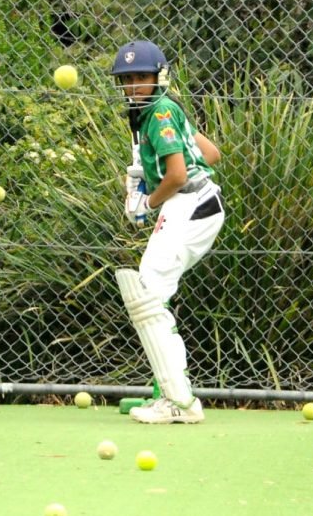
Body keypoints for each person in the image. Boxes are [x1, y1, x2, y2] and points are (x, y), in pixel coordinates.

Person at [110, 40, 225, 424]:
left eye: (141, 77)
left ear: (159, 77)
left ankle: (179, 401)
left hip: (190, 203)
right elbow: (209, 154)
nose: (133, 86)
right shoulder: (160, 110)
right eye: (127, 79)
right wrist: (152, 182)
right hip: (195, 202)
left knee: (149, 290)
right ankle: (167, 391)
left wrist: (148, 202)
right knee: (153, 290)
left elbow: (176, 175)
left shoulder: (157, 114)